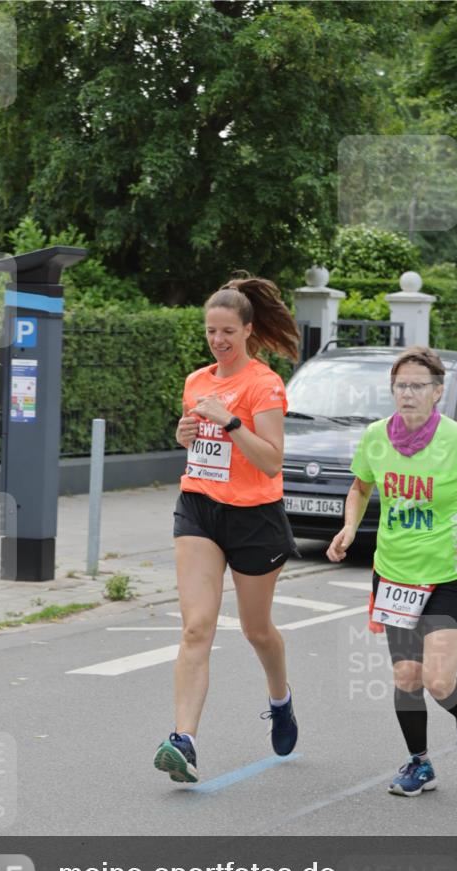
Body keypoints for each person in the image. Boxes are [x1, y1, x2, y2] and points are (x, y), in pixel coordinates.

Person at [327, 346, 457, 796]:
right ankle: (419, 763)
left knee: (438, 680)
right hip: (394, 574)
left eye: (418, 386)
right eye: (400, 385)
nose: (407, 393)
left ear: (437, 392)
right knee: (406, 677)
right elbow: (360, 487)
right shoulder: (376, 437)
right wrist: (349, 526)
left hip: (448, 573)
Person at [153, 277, 301, 784]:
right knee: (196, 626)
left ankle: (280, 700)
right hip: (199, 506)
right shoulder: (196, 381)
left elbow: (272, 462)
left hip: (254, 517)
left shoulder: (265, 384)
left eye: (228, 332)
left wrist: (233, 422)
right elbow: (199, 446)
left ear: (248, 331)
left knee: (257, 630)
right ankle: (184, 741)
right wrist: (185, 433)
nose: (218, 341)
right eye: (211, 332)